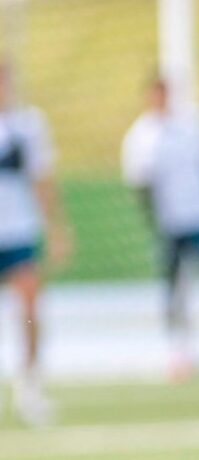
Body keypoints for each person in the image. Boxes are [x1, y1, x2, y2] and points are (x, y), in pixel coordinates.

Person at [121, 78, 199, 381]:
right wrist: (157, 219)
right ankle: (178, 350)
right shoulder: (141, 137)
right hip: (173, 221)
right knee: (176, 285)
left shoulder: (196, 120)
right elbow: (141, 183)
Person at [0, 61, 71, 427]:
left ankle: (29, 385)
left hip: (18, 231)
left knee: (29, 308)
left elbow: (42, 178)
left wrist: (56, 227)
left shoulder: (27, 125)